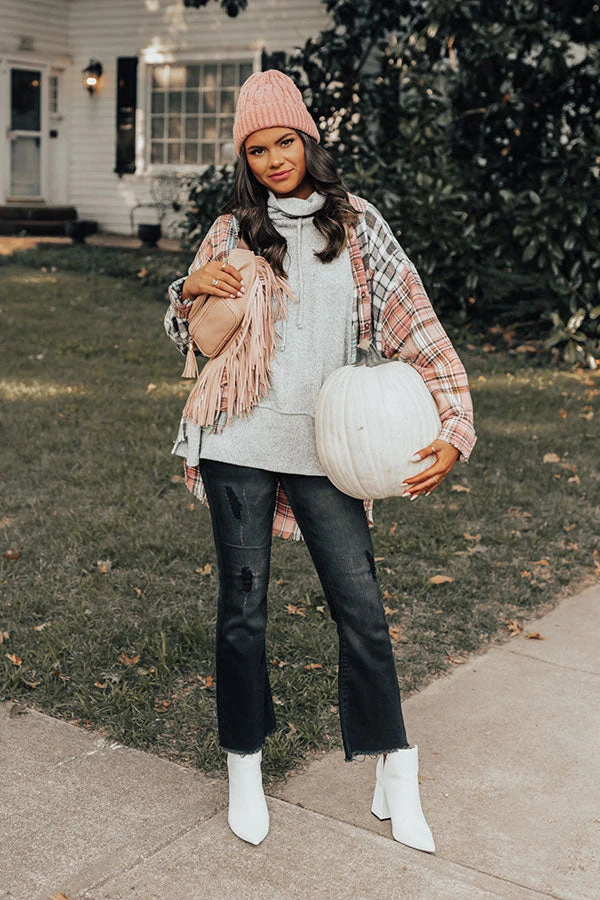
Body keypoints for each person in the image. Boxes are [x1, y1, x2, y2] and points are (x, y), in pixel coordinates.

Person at [164, 70, 476, 850]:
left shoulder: (358, 225)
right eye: (257, 149)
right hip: (238, 439)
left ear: (308, 140)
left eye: (286, 142)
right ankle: (244, 766)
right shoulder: (232, 229)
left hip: (326, 445)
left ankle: (394, 769)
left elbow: (415, 323)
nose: (274, 160)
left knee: (360, 607)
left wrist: (453, 425)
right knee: (242, 611)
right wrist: (184, 289)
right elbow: (190, 333)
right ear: (245, 158)